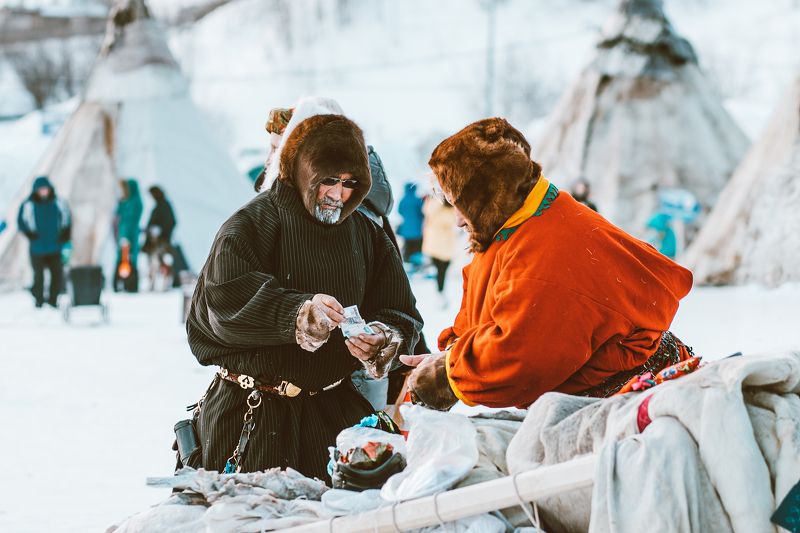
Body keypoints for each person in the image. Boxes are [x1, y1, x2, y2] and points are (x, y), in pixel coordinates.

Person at [186, 112, 422, 481]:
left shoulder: (367, 234)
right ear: (301, 170)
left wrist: (381, 339)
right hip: (251, 414)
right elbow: (221, 305)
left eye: (350, 183)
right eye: (328, 180)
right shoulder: (250, 225)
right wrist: (298, 314)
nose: (339, 194)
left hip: (334, 415)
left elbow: (401, 312)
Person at [399, 118, 695, 411]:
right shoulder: (512, 226)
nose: (459, 220)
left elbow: (522, 358)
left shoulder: (546, 254)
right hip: (593, 398)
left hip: (633, 397)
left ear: (488, 196)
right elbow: (479, 317)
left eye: (460, 204)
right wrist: (451, 355)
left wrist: (445, 376)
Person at [17, 175, 71, 308]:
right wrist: (29, 234)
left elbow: (67, 219)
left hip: (55, 246)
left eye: (45, 189)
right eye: (41, 190)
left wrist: (65, 236)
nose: (43, 192)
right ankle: (39, 301)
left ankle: (53, 300)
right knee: (38, 277)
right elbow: (21, 222)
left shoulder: (58, 202)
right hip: (37, 247)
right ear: (36, 191)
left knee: (56, 275)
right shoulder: (28, 205)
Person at [421, 195, 457, 309]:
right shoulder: (449, 210)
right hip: (443, 246)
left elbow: (426, 211)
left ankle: (440, 293)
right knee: (442, 271)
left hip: (435, 245)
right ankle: (440, 294)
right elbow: (453, 222)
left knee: (440, 270)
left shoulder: (432, 206)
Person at [142, 185, 177, 291]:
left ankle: (164, 285)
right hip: (154, 241)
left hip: (162, 241)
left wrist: (161, 232)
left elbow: (171, 222)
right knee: (153, 263)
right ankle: (153, 285)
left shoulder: (164, 206)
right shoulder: (159, 206)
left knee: (163, 263)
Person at [114, 179, 143, 293]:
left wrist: (126, 237)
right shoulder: (125, 201)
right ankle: (119, 284)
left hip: (129, 235)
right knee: (121, 260)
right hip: (123, 234)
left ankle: (131, 286)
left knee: (130, 260)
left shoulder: (135, 202)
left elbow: (130, 220)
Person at [396, 183, 424, 264]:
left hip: (406, 229)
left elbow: (399, 211)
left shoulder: (403, 199)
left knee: (407, 246)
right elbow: (422, 213)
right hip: (417, 228)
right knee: (416, 247)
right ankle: (415, 263)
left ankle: (406, 261)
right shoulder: (418, 200)